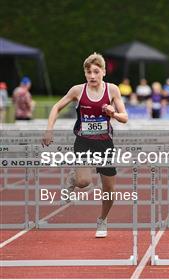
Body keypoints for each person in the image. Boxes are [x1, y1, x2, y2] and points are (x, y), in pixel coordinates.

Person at [41, 53, 128, 238]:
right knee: (84, 182)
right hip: (83, 141)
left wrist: (113, 114)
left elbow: (125, 118)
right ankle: (73, 179)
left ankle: (102, 219)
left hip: (105, 143)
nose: (92, 76)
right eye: (89, 72)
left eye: (96, 72)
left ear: (104, 72)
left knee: (109, 190)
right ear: (85, 73)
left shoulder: (112, 90)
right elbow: (56, 107)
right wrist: (49, 129)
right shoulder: (78, 91)